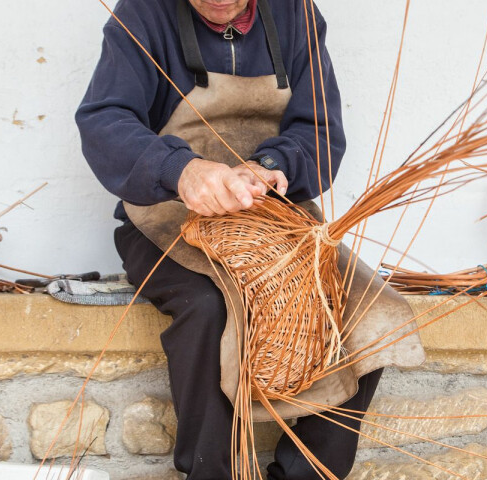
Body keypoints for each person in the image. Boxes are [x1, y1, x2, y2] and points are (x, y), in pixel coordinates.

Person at [76, 1, 389, 478]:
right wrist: (179, 171)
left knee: (367, 306)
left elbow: (321, 132)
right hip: (165, 217)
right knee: (208, 307)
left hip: (272, 220)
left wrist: (273, 168)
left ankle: (307, 473)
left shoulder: (296, 13)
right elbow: (104, 121)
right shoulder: (143, 12)